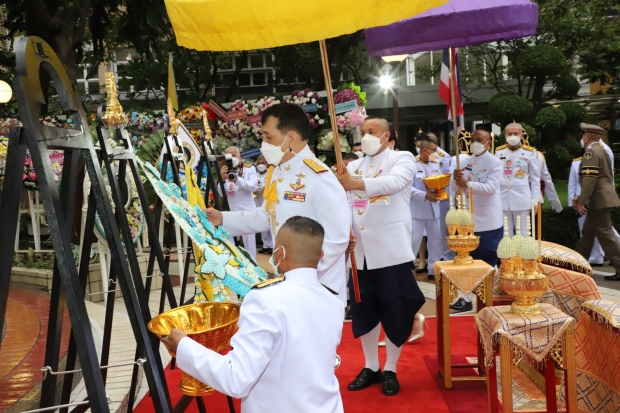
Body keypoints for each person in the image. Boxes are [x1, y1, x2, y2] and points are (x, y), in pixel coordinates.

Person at [161, 216, 345, 413]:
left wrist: (183, 346)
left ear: (279, 253)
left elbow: (236, 379)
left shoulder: (265, 300)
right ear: (321, 254)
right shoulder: (334, 301)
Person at [204, 103, 350, 304]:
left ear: (291, 138)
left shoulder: (320, 177)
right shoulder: (278, 171)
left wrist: (296, 272)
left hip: (317, 290)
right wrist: (222, 218)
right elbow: (267, 216)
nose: (263, 142)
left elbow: (337, 240)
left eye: (268, 137)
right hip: (286, 285)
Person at [336, 116, 425, 396]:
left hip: (390, 250)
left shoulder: (402, 158)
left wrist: (354, 182)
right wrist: (345, 229)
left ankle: (392, 369)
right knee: (365, 310)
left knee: (395, 310)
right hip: (360, 252)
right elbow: (345, 203)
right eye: (363, 132)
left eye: (372, 132)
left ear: (387, 136)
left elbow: (393, 183)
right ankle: (371, 366)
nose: (366, 137)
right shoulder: (352, 165)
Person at [450, 130, 503, 312]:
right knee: (466, 258)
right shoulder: (464, 161)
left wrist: (466, 184)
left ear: (488, 143)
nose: (474, 143)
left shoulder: (494, 162)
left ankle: (491, 296)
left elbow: (490, 188)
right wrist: (455, 178)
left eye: (479, 140)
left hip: (487, 219)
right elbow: (453, 187)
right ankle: (465, 298)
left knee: (488, 259)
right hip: (467, 218)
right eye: (472, 140)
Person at [574, 123, 620, 281]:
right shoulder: (601, 150)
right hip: (601, 198)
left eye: (582, 135)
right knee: (588, 233)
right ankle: (576, 264)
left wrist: (582, 201)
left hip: (598, 200)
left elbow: (590, 179)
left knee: (606, 235)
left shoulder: (591, 152)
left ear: (586, 137)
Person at [495, 123, 542, 236]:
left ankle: (523, 254)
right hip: (502, 197)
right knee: (506, 234)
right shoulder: (499, 151)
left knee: (523, 233)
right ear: (505, 135)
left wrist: (536, 200)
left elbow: (535, 178)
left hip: (521, 197)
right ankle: (508, 254)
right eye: (509, 133)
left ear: (521, 135)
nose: (512, 136)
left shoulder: (530, 152)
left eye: (515, 133)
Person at [409, 138, 443, 281]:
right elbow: (407, 188)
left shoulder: (436, 163)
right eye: (434, 150)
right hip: (417, 210)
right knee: (413, 242)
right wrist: (424, 195)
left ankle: (433, 270)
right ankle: (407, 271)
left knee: (435, 241)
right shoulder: (412, 164)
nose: (436, 152)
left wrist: (441, 190)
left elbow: (440, 181)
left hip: (434, 208)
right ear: (425, 150)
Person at [223, 146, 259, 258]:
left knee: (249, 244)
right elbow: (221, 193)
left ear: (240, 156)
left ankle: (253, 268)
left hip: (246, 212)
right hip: (231, 211)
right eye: (229, 156)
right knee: (230, 241)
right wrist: (221, 180)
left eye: (234, 156)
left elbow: (253, 187)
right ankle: (235, 266)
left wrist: (237, 180)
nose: (232, 158)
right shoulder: (224, 170)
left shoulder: (249, 169)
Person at [427, 132, 453, 261]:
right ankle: (435, 258)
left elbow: (447, 176)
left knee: (443, 229)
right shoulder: (422, 155)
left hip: (442, 198)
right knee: (432, 232)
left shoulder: (444, 157)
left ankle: (447, 256)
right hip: (427, 197)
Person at [254, 155, 272, 254]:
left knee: (270, 221)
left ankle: (273, 245)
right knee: (261, 220)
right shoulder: (254, 174)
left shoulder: (271, 173)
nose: (261, 165)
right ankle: (266, 244)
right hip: (257, 200)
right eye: (259, 163)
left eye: (263, 163)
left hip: (268, 200)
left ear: (267, 163)